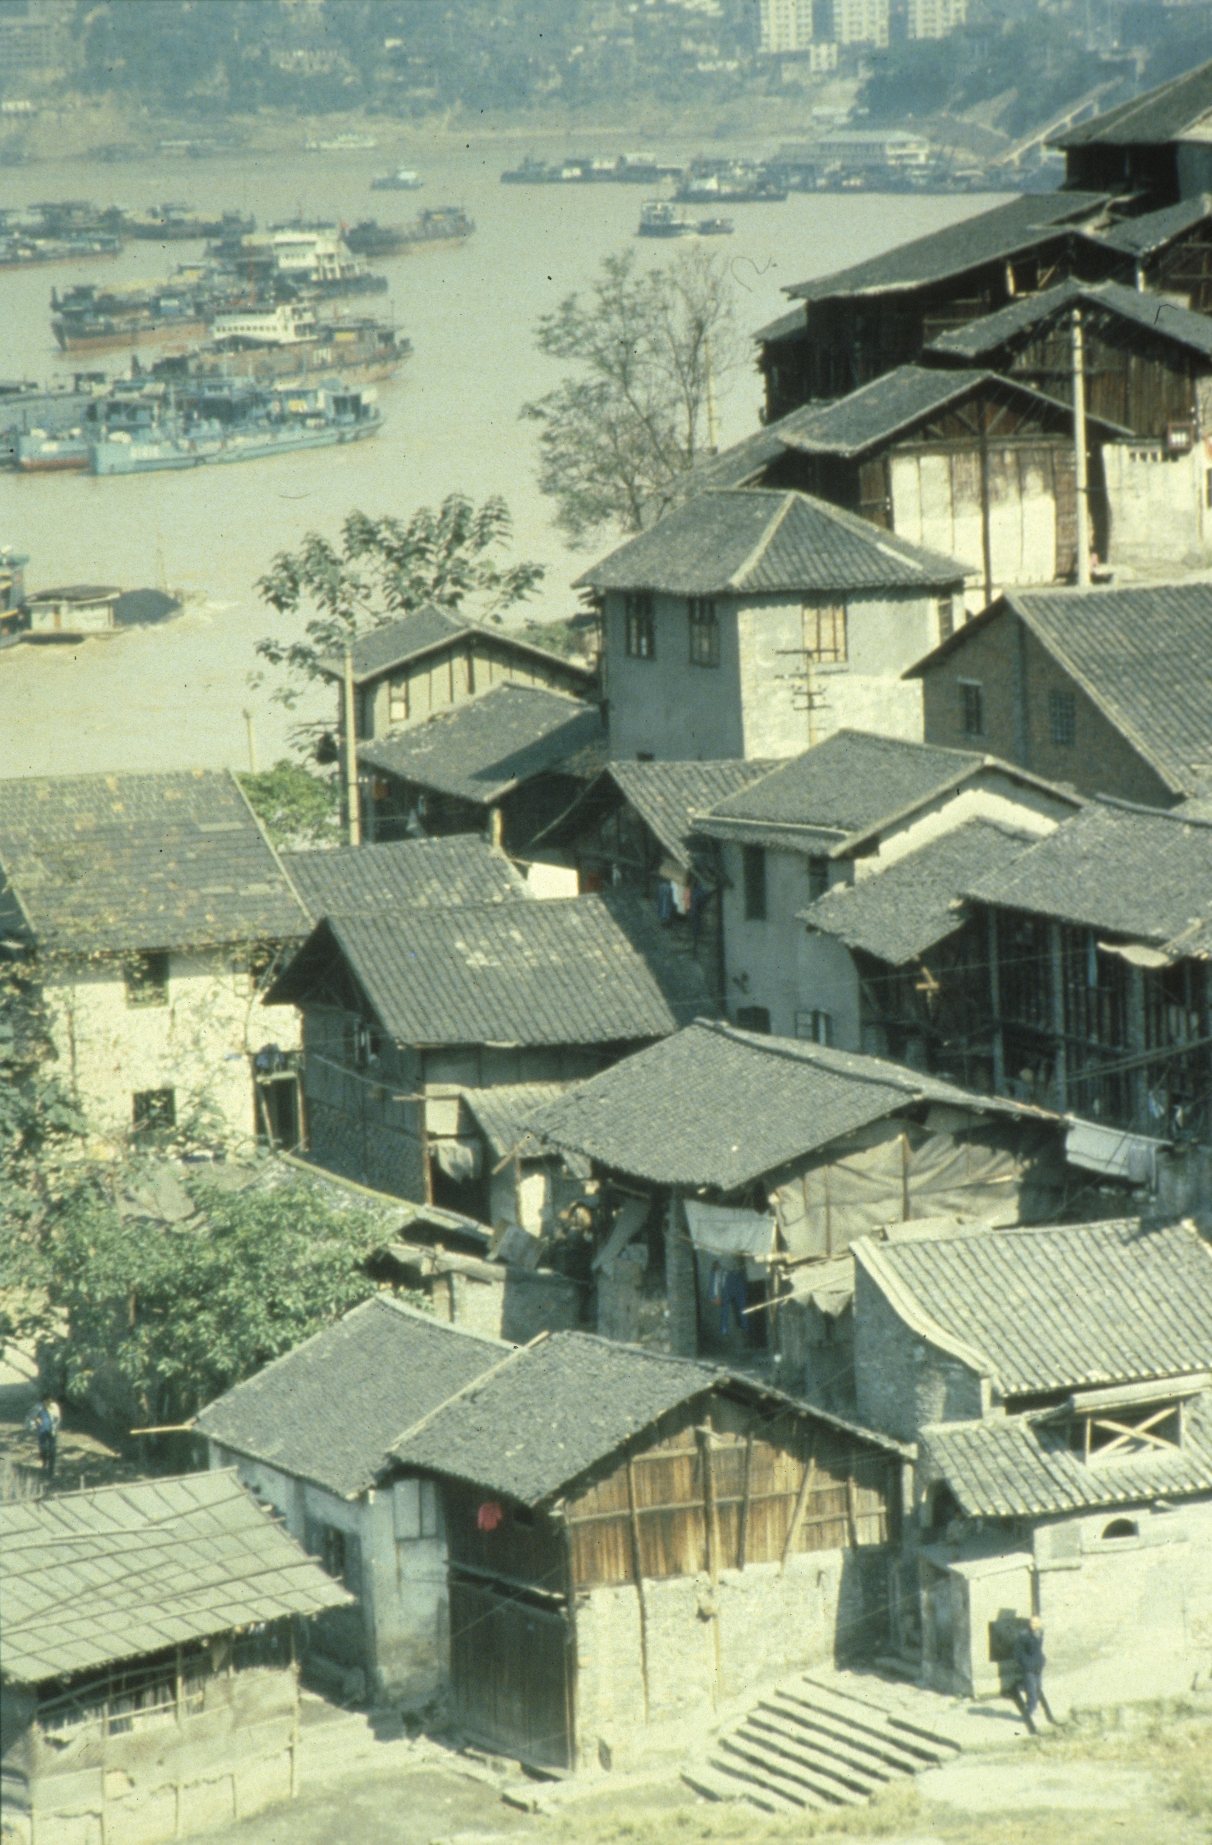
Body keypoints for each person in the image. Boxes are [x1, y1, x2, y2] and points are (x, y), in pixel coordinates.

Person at [1011, 1614, 1055, 1733]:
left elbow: (1038, 1649)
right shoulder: (1024, 1635)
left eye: (1035, 1623)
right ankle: (1030, 1709)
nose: (1032, 1625)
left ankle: (1034, 1706)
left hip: (1037, 1665)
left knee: (1038, 1686)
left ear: (1039, 1623)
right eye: (1031, 1623)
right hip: (1028, 1666)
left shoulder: (1040, 1633)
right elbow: (1017, 1649)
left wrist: (1041, 1660)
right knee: (1030, 1687)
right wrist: (1020, 1662)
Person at [26, 1397, 60, 1481]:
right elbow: (31, 1418)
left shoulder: (54, 1407)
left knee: (52, 1450)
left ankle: (51, 1471)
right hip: (42, 1432)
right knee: (43, 1449)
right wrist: (33, 1425)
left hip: (52, 1432)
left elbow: (57, 1418)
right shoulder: (38, 1408)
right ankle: (44, 1464)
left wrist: (55, 1427)